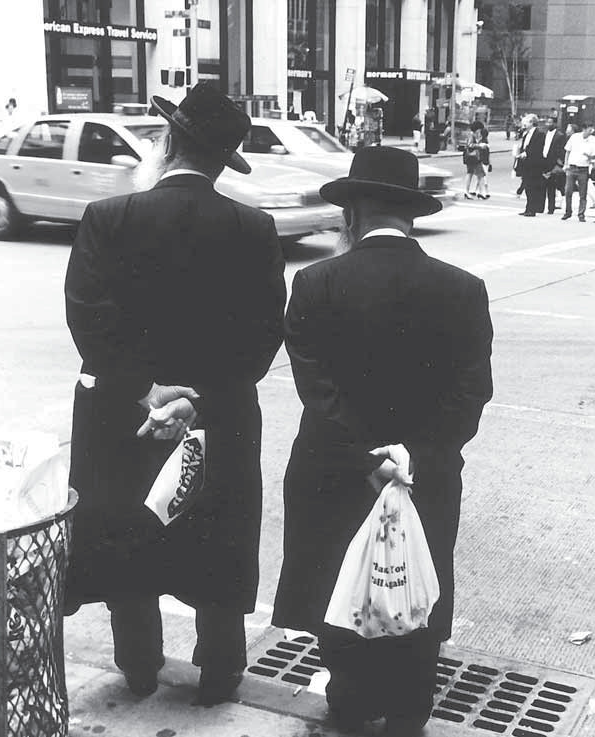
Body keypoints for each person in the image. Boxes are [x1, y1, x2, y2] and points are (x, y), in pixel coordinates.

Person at [63, 82, 286, 705]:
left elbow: (88, 316)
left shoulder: (108, 217)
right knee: (217, 541)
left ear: (166, 143)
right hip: (220, 413)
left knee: (127, 533)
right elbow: (263, 336)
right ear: (222, 162)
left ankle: (138, 665)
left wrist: (145, 389)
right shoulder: (254, 228)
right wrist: (197, 400)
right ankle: (219, 671)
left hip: (122, 413)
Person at [272, 146, 493, 735]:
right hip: (426, 474)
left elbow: (316, 389)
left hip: (335, 467)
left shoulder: (315, 283)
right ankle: (408, 710)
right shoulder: (463, 289)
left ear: (353, 214)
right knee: (415, 586)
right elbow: (472, 392)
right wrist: (413, 456)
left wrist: (365, 458)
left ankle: (350, 701)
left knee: (338, 584)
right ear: (411, 214)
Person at [561, 124, 595, 222]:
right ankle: (568, 211)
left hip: (583, 168)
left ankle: (581, 213)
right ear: (584, 129)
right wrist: (566, 164)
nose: (591, 132)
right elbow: (567, 151)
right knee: (568, 190)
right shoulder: (575, 137)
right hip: (572, 167)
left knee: (583, 193)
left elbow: (594, 156)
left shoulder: (593, 140)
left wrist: (589, 157)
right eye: (589, 130)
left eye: (592, 130)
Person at [514, 114, 547, 216]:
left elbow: (538, 148)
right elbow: (524, 147)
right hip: (526, 164)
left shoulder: (539, 134)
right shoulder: (526, 134)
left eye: (526, 122)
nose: (523, 124)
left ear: (532, 123)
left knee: (533, 187)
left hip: (534, 164)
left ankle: (532, 209)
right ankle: (528, 208)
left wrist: (527, 153)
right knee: (527, 187)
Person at [542, 121, 567, 214]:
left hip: (552, 163)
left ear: (555, 124)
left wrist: (558, 163)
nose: (548, 124)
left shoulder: (560, 136)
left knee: (551, 187)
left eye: (550, 122)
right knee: (542, 186)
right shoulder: (544, 134)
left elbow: (561, 151)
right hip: (543, 161)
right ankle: (540, 207)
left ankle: (551, 208)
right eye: (547, 122)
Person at [463, 121, 489, 199]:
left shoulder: (474, 135)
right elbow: (470, 145)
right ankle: (469, 192)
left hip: (474, 157)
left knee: (479, 174)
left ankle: (480, 192)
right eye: (479, 129)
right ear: (477, 129)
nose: (480, 131)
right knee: (474, 174)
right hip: (472, 157)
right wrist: (479, 146)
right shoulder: (471, 135)